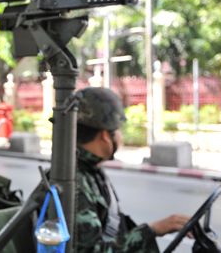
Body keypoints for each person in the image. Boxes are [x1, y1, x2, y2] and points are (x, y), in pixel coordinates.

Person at [74, 87, 190, 252]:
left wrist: (154, 229)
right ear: (105, 136)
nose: (121, 136)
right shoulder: (76, 182)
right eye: (118, 130)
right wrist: (152, 230)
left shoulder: (90, 172)